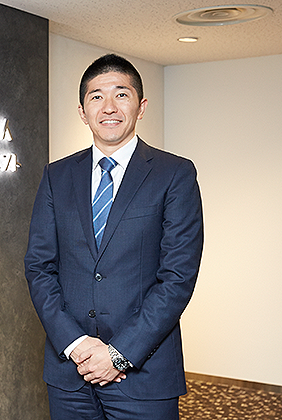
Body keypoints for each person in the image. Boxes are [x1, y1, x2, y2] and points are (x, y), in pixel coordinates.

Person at [24, 54, 204, 419]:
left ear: (141, 106)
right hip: (70, 374)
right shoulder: (56, 176)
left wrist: (118, 354)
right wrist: (76, 345)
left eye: (121, 94)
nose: (109, 107)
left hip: (144, 376)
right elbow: (39, 267)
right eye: (96, 96)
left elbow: (177, 277)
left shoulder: (174, 174)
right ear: (82, 111)